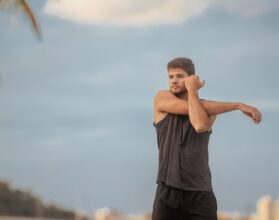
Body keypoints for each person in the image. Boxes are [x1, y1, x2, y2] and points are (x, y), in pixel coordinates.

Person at [152, 57, 262, 220]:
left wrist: (193, 92)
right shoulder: (161, 97)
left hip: (200, 193)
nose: (174, 81)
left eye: (180, 76)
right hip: (168, 191)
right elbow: (194, 110)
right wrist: (238, 105)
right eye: (171, 76)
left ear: (191, 79)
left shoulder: (209, 109)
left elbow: (200, 125)